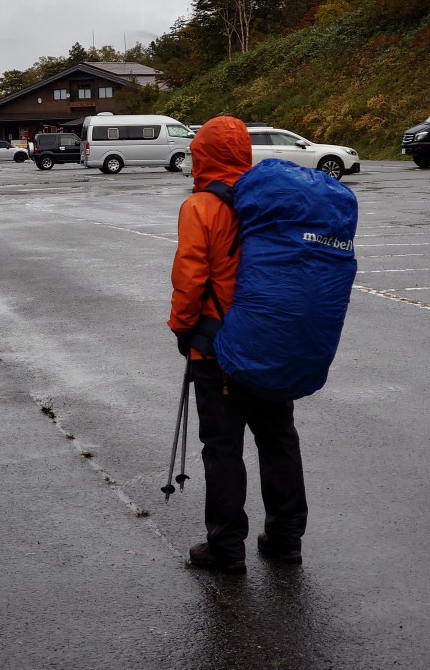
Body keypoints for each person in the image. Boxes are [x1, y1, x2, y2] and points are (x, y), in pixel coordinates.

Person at [168, 116, 308, 574]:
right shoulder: (268, 200)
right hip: (271, 343)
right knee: (278, 439)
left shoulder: (202, 207)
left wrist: (181, 329)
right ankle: (285, 538)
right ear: (244, 154)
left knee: (223, 447)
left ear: (203, 155)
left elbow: (191, 280)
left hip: (218, 349)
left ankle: (226, 548)